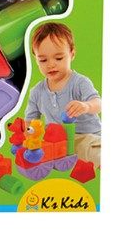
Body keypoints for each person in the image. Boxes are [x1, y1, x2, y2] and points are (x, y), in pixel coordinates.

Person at [26, 23, 101, 167]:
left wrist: (86, 106)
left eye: (59, 58)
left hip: (85, 137)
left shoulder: (80, 82)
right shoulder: (37, 91)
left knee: (94, 153)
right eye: (43, 60)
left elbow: (98, 104)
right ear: (36, 59)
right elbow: (31, 121)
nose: (51, 64)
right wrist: (31, 140)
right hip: (57, 142)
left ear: (72, 54)